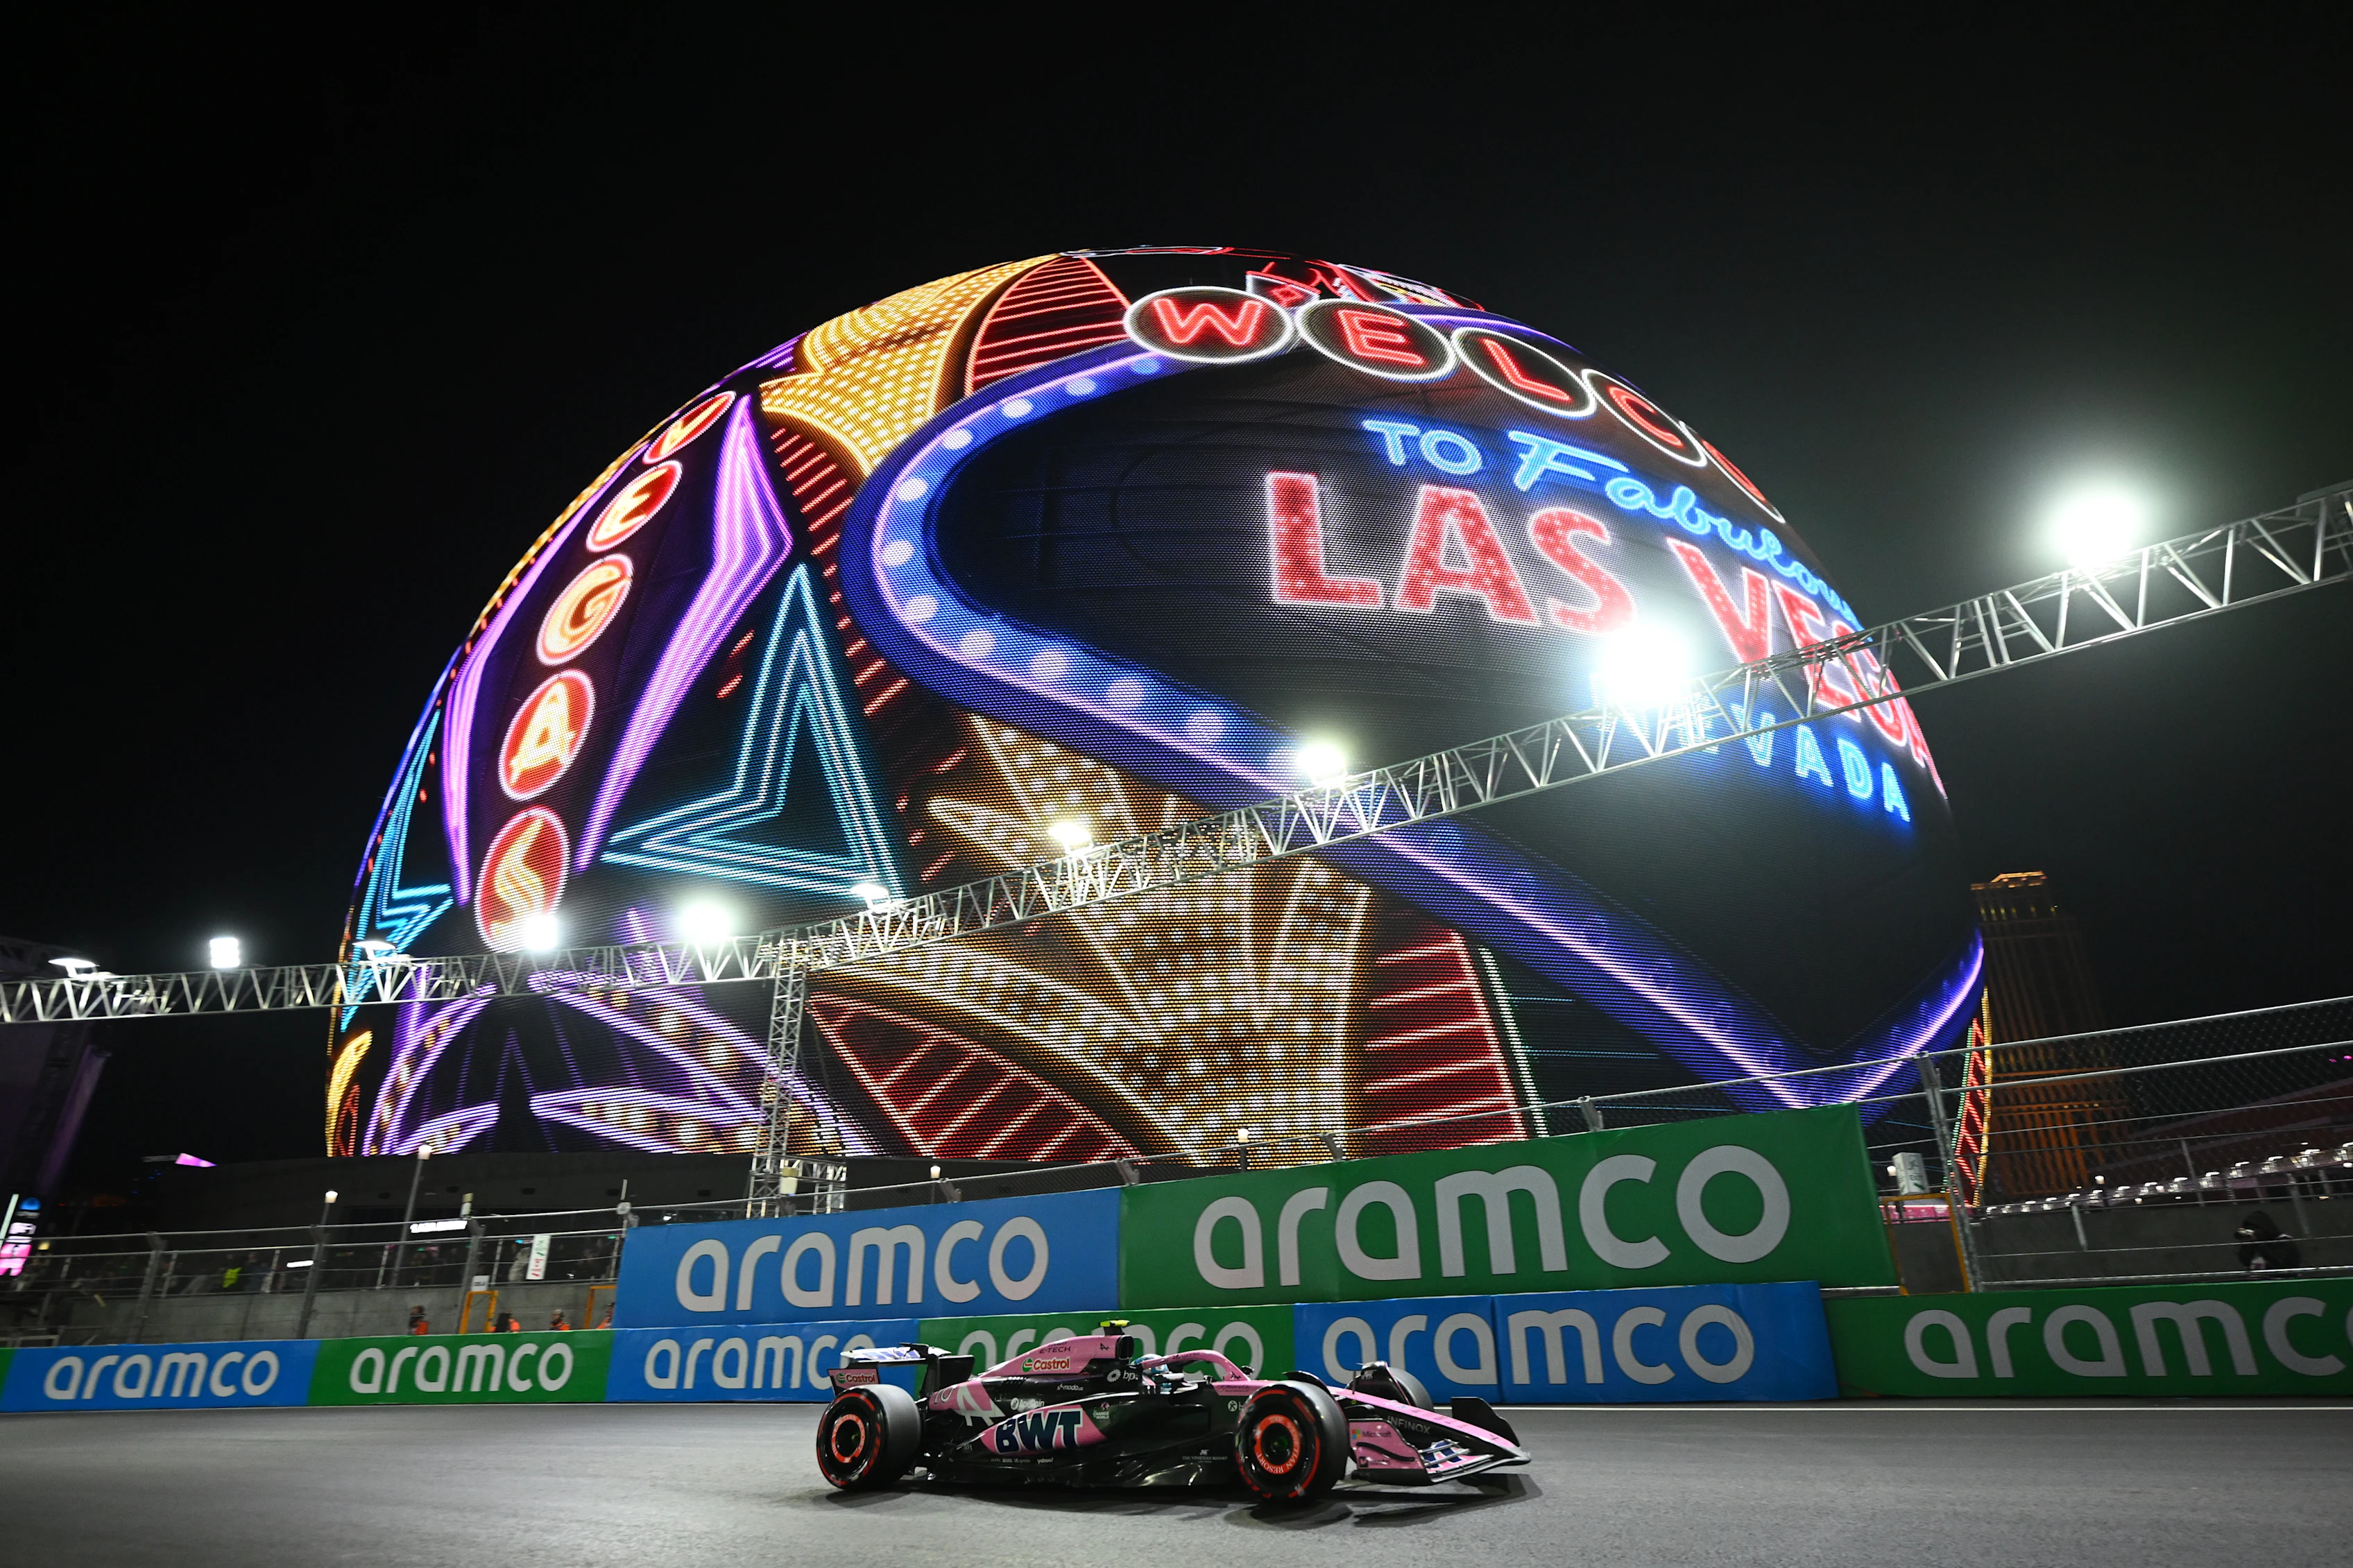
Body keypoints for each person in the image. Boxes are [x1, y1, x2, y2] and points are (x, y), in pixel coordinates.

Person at [2236, 1211, 2302, 1271]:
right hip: (2256, 1279)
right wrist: (2247, 1245)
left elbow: (2278, 1264)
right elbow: (2245, 1262)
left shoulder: (2284, 1241)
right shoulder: (2253, 1242)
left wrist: (2259, 1245)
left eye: (2255, 1228)